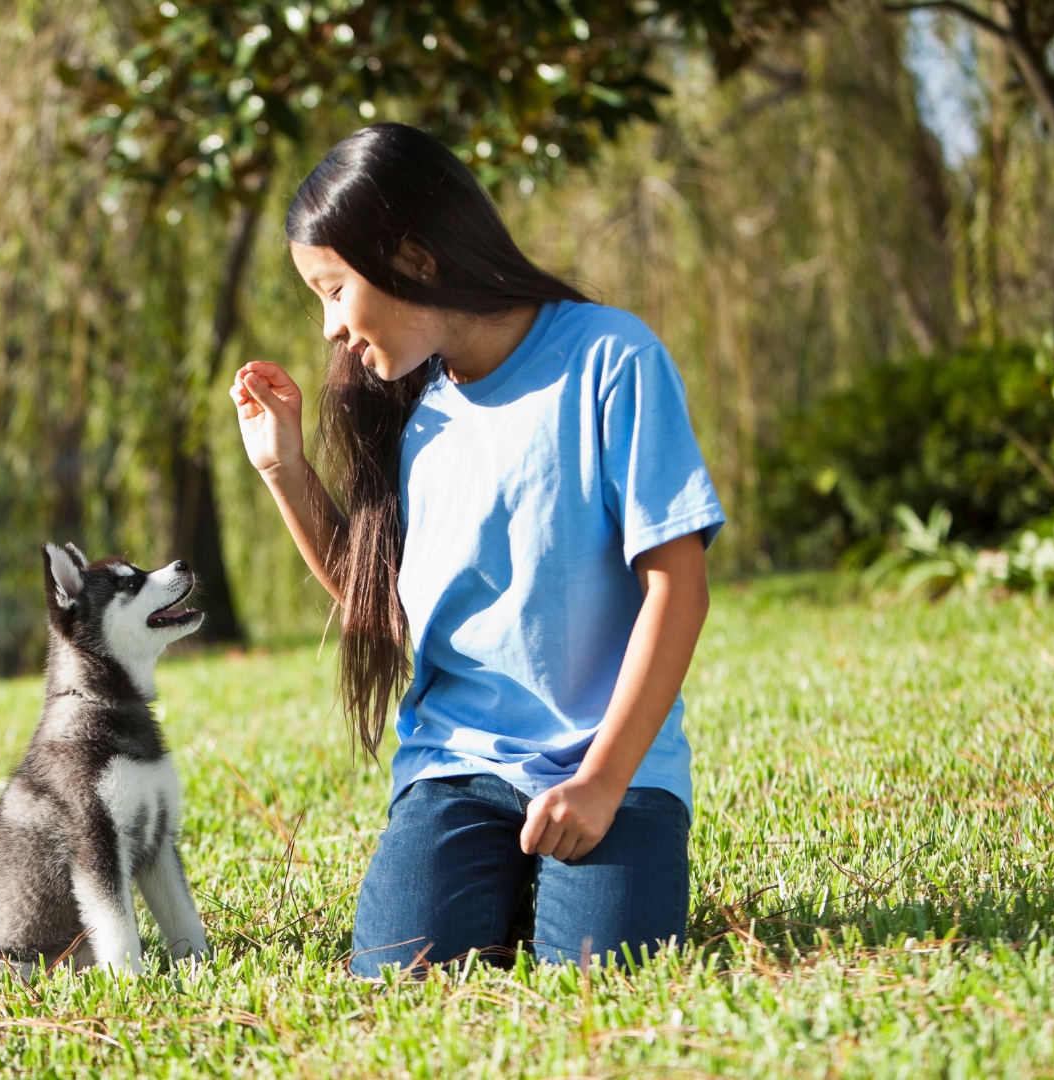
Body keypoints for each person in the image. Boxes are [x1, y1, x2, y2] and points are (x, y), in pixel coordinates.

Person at [229, 124, 723, 977]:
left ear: (415, 259)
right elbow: (375, 601)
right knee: (396, 978)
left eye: (335, 290)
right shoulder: (410, 403)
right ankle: (504, 877)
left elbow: (677, 588)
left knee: (604, 985)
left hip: (614, 766)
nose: (327, 328)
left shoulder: (611, 356)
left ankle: (553, 878)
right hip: (459, 769)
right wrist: (285, 468)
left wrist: (601, 782)